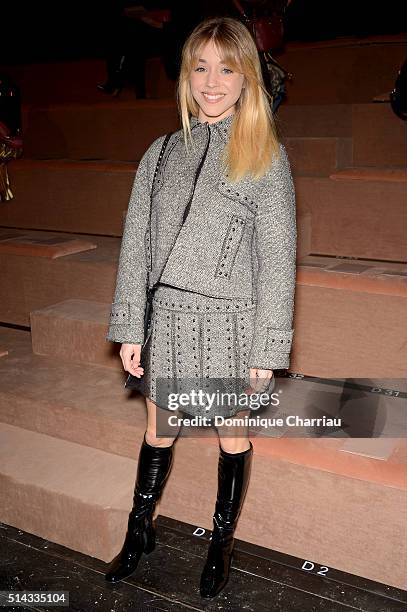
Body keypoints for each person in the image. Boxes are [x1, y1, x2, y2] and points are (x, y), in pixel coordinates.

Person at [104, 16, 297, 598]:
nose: (212, 82)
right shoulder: (159, 154)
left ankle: (221, 544)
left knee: (230, 435)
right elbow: (135, 244)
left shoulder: (265, 155)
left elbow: (279, 261)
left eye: (227, 68)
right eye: (200, 68)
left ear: (247, 79)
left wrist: (268, 348)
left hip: (232, 323)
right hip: (168, 318)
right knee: (158, 429)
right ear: (187, 76)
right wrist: (130, 324)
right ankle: (140, 530)